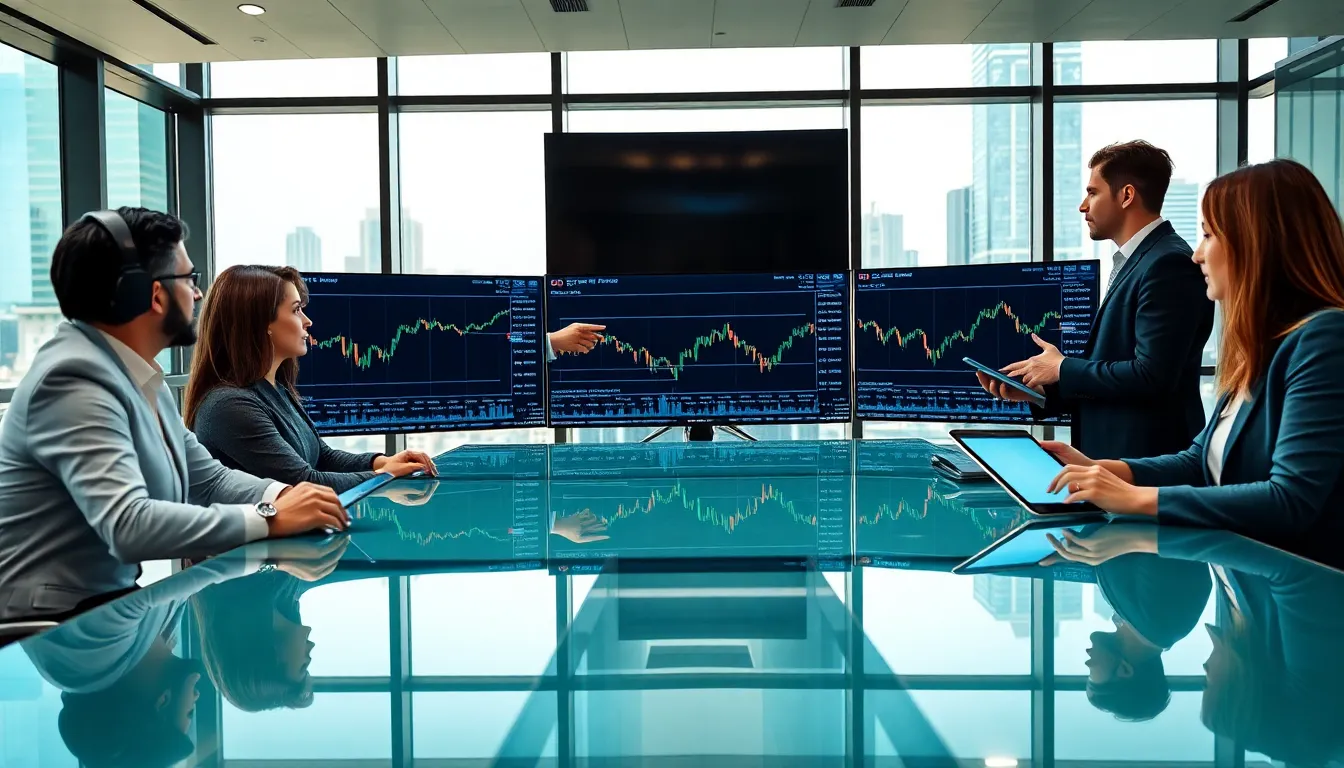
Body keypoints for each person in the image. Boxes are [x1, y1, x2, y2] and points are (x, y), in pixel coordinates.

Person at [0, 208, 347, 620]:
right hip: (54, 627)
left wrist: (285, 496)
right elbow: (129, 525)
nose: (198, 295)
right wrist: (269, 517)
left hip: (106, 609)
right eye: (189, 279)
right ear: (150, 294)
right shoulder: (73, 380)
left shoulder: (143, 379)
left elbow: (209, 477)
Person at [1039, 159, 1344, 544]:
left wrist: (1136, 498)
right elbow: (1198, 461)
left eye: (1209, 235)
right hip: (1248, 589)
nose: (1197, 254)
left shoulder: (1324, 340)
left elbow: (1290, 500)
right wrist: (1103, 469)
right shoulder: (1260, 352)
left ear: (1257, 244)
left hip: (1301, 593)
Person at [980, 141, 1214, 460]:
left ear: (1126, 195)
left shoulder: (1167, 264)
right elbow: (1115, 374)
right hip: (1117, 463)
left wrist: (1063, 368)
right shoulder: (1139, 261)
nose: (1082, 205)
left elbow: (1152, 376)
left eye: (1093, 192)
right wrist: (1037, 393)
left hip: (1147, 466)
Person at [19, 537, 344, 767]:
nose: (196, 702)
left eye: (187, 715)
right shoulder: (149, 644)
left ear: (161, 704)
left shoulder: (83, 653)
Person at [184, 266, 437, 494]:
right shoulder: (229, 407)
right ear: (262, 324)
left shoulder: (273, 388)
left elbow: (322, 457)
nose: (307, 321)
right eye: (296, 310)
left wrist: (382, 461)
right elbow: (303, 481)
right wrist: (384, 476)